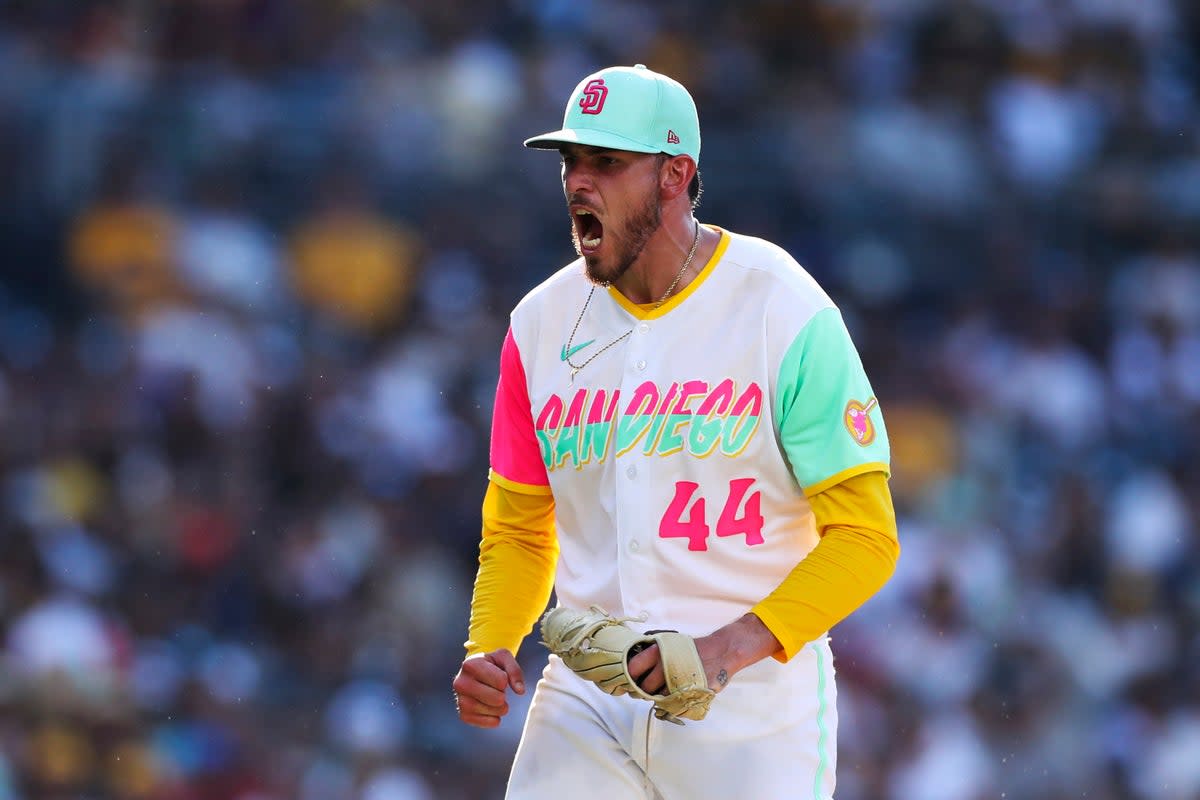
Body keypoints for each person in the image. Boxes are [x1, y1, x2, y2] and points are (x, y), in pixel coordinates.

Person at [452, 64, 900, 799]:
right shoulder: (536, 326)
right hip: (588, 698)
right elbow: (522, 531)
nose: (578, 182)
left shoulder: (781, 306)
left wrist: (727, 650)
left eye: (607, 162)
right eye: (571, 161)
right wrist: (491, 645)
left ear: (674, 174)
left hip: (753, 713)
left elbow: (866, 537)